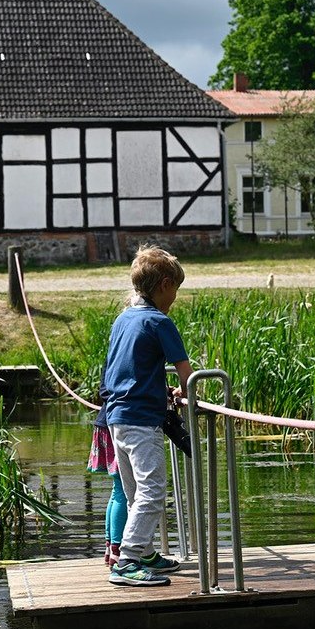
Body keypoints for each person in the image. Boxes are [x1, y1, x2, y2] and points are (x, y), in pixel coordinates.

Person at [103, 245, 193, 587]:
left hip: (117, 416)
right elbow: (187, 375)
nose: (175, 298)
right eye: (176, 291)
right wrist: (185, 393)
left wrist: (160, 390)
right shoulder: (160, 321)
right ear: (165, 285)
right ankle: (127, 561)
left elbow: (126, 369)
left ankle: (145, 553)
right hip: (142, 421)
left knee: (132, 491)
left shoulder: (123, 319)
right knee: (153, 490)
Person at [86, 380, 125, 567]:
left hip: (105, 421)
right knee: (123, 490)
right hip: (114, 423)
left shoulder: (114, 353)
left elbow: (104, 390)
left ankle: (110, 547)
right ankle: (117, 550)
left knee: (118, 488)